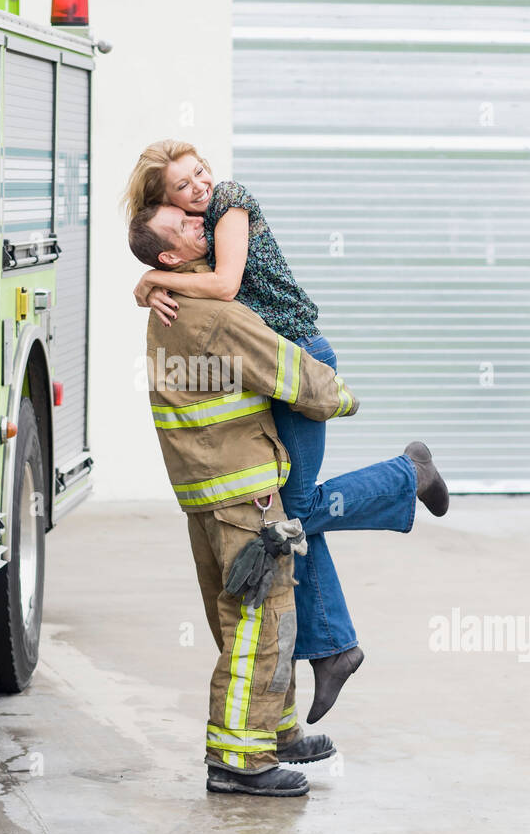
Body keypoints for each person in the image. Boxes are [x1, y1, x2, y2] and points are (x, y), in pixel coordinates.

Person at [124, 141, 449, 724]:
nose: (198, 189)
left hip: (299, 358)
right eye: (182, 188)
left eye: (199, 174)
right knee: (295, 517)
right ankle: (334, 649)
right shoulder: (191, 242)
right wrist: (155, 279)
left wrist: (154, 278)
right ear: (165, 201)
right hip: (272, 367)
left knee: (292, 517)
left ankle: (408, 474)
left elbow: (225, 287)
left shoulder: (231, 201)